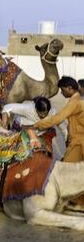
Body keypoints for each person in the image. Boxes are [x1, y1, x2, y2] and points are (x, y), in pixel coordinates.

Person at [32, 77, 84, 209]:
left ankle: (78, 203)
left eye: (62, 90)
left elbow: (58, 118)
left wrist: (38, 124)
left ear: (69, 88)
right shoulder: (77, 100)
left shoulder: (75, 102)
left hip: (79, 143)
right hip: (76, 142)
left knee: (68, 171)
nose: (61, 93)